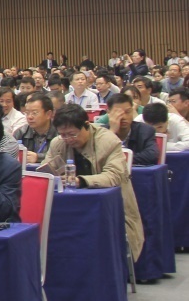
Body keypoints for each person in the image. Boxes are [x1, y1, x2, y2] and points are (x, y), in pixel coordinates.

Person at [40, 104, 144, 260]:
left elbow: (114, 176)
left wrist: (81, 180)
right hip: (71, 208)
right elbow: (47, 170)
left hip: (108, 208)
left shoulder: (108, 141)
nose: (68, 139)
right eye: (63, 135)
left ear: (86, 126)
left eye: (72, 134)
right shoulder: (58, 143)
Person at [106, 94, 159, 167]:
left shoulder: (146, 130)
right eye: (118, 113)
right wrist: (112, 132)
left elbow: (152, 156)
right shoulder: (100, 132)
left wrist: (120, 159)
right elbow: (97, 157)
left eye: (128, 112)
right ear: (108, 112)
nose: (124, 117)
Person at [15, 91, 57, 167]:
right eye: (27, 113)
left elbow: (62, 158)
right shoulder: (21, 132)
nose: (29, 117)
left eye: (34, 113)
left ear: (48, 114)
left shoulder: (59, 133)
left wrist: (38, 157)